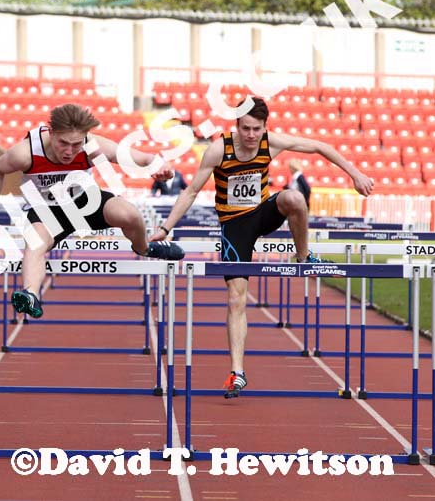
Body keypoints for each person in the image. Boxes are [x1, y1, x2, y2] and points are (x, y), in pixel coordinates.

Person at [149, 97, 373, 398]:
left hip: (262, 213)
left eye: (257, 129)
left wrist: (354, 173)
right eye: (246, 129)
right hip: (234, 225)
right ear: (236, 126)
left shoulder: (271, 142)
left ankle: (303, 257)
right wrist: (166, 228)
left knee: (294, 198)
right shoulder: (219, 149)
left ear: (265, 127)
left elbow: (320, 146)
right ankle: (238, 372)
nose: (251, 135)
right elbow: (190, 192)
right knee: (236, 298)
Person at [0, 103, 185, 319]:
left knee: (129, 214)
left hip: (84, 202)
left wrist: (160, 167)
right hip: (45, 210)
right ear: (51, 133)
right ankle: (30, 295)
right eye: (63, 143)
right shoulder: (26, 152)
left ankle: (144, 248)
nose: (69, 151)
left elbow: (144, 158)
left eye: (76, 145)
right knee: (35, 243)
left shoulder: (92, 146)